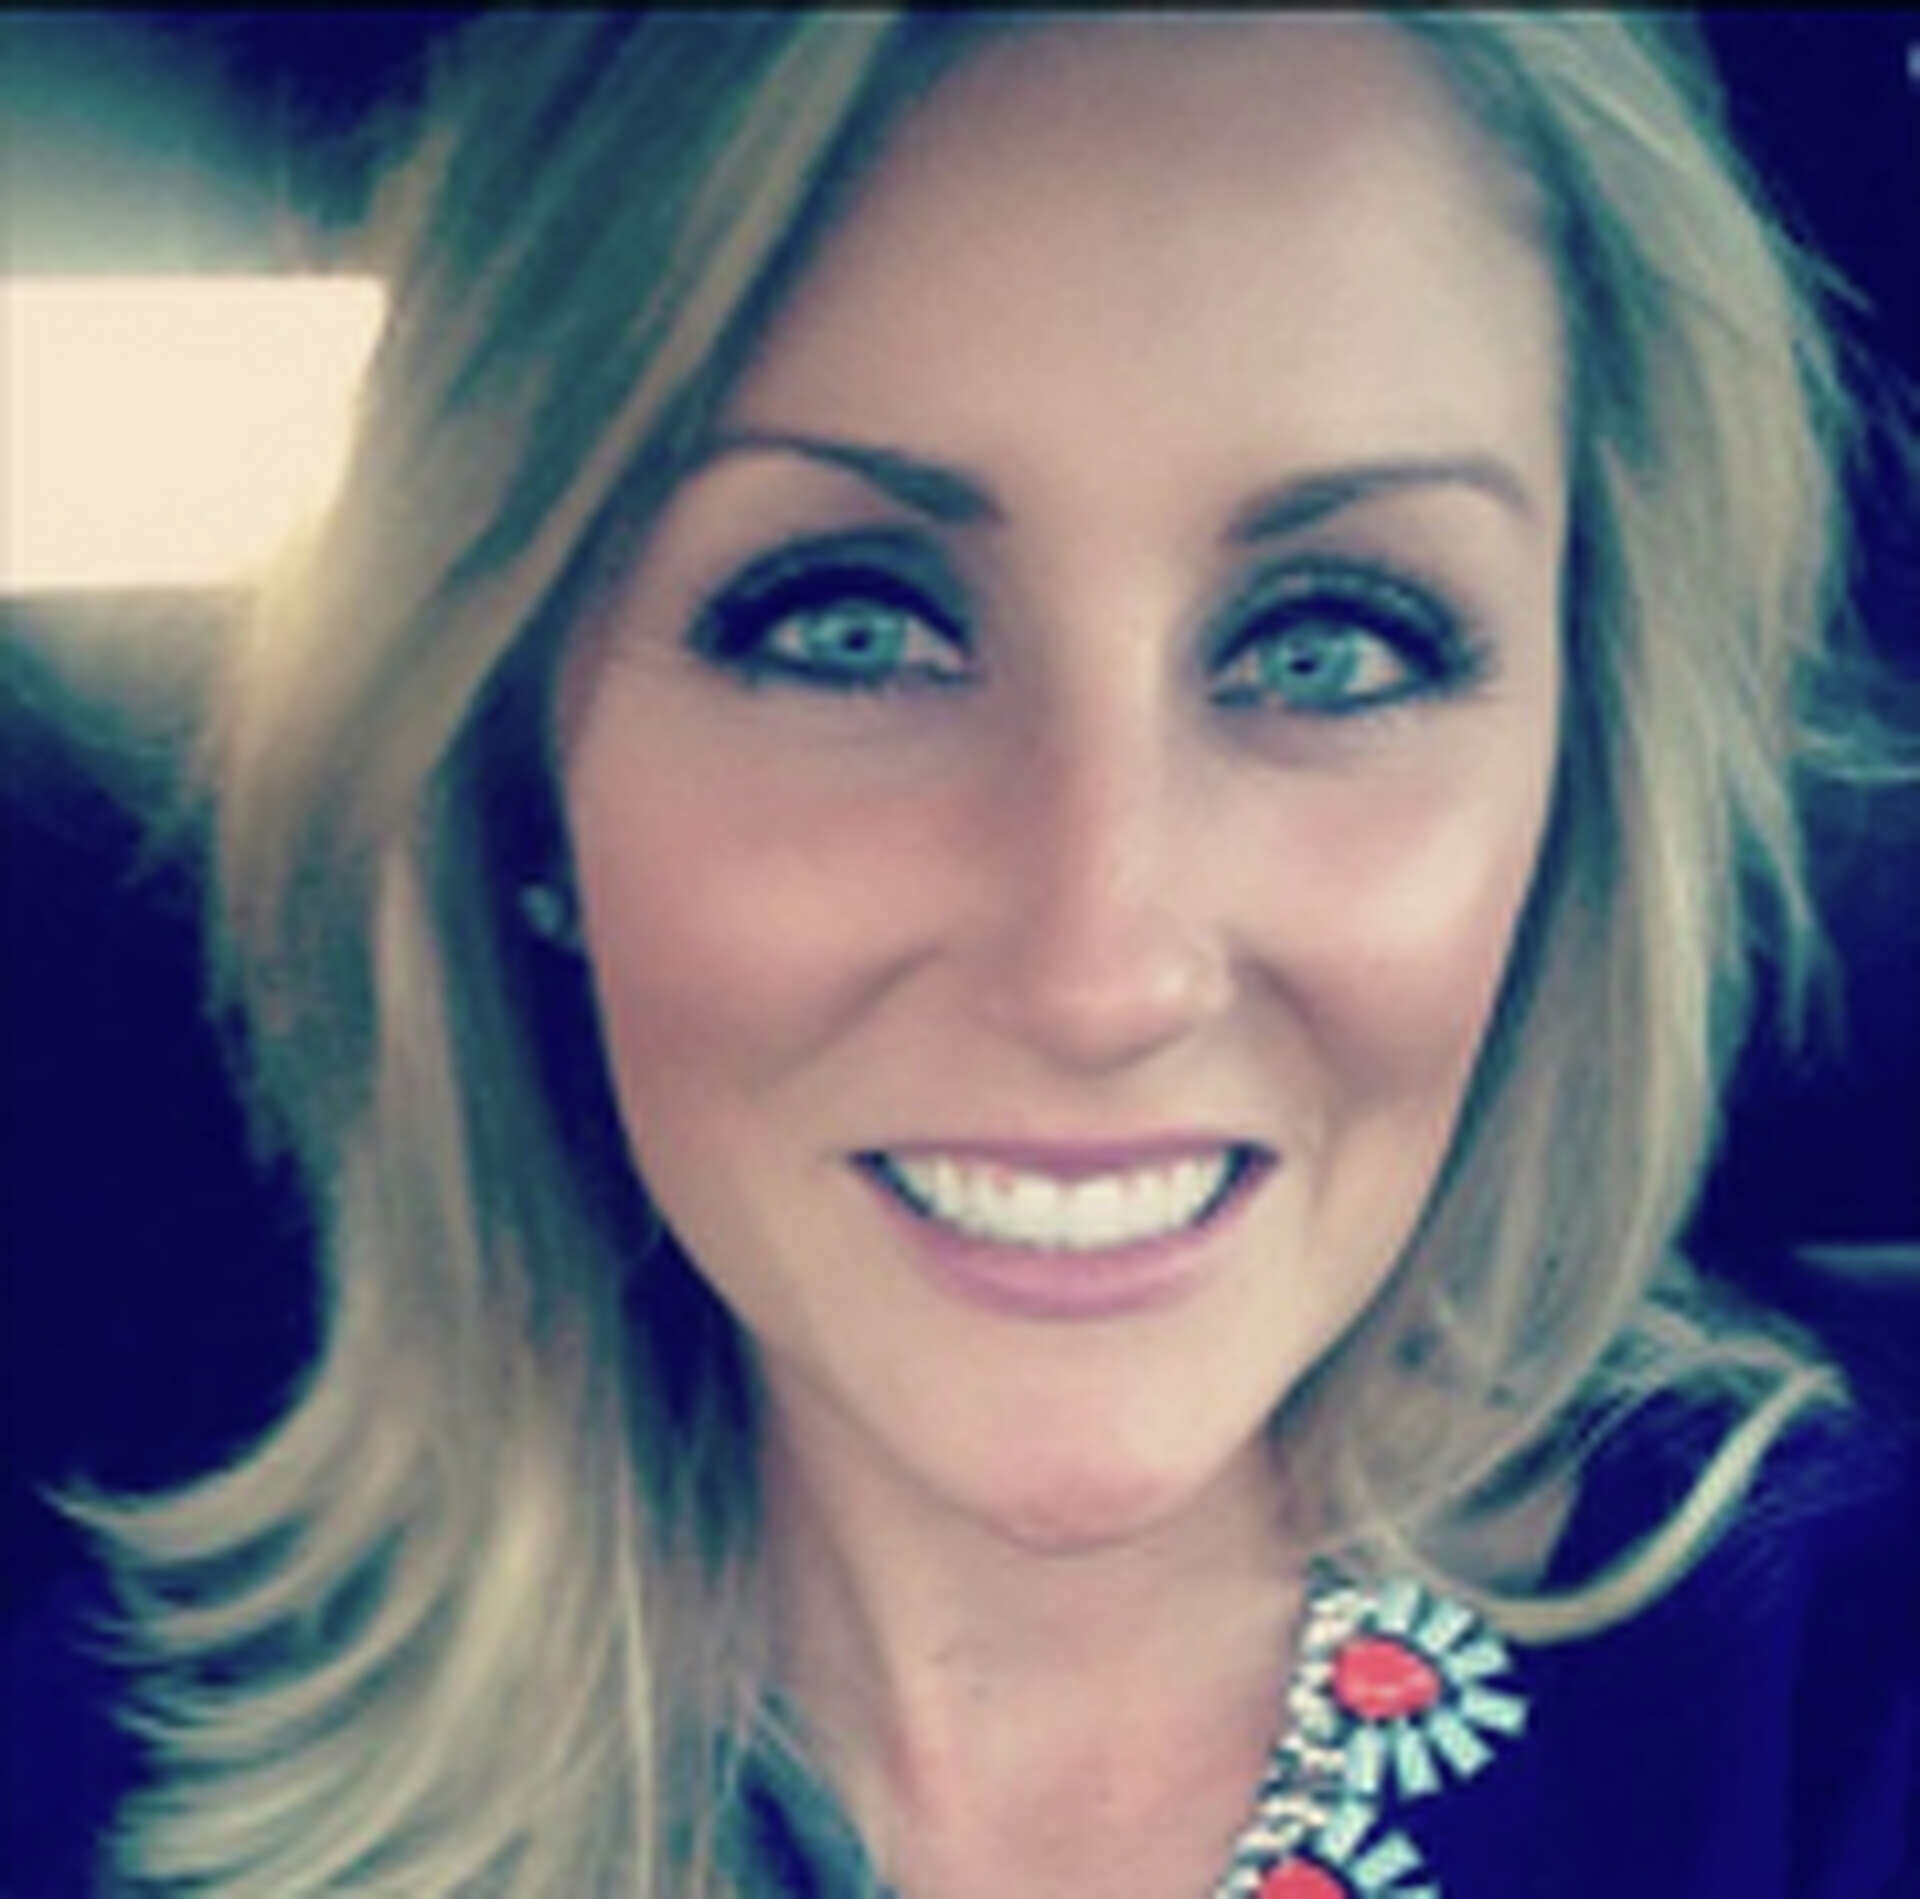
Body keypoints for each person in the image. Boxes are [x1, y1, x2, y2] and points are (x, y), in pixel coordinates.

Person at [55, 12, 1913, 1896]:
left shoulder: (1844, 1709)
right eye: (848, 628)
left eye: (1332, 645)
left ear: (1573, 784)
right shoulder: (96, 1800)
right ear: (519, 774)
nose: (1102, 976)